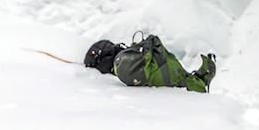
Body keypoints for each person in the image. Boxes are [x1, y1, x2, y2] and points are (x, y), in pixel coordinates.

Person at [83, 35, 216, 93]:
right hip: (169, 74)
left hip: (168, 72)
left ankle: (202, 78)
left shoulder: (124, 62)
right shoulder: (123, 64)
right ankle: (202, 80)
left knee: (184, 80)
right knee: (185, 81)